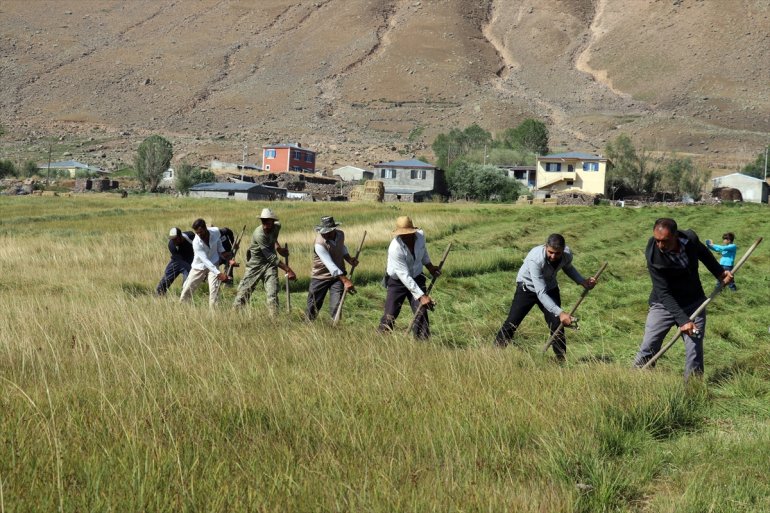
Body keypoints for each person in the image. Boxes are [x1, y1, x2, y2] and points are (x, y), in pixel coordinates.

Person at [633, 218, 733, 377]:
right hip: (663, 305)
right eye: (657, 240)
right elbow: (663, 291)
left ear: (675, 236)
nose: (660, 245)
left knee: (694, 349)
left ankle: (693, 392)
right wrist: (683, 320)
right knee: (649, 345)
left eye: (664, 241)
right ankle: (635, 382)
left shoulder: (690, 239)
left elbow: (704, 254)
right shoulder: (653, 254)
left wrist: (720, 273)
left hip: (693, 302)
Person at [494, 234, 596, 360]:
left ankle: (561, 360)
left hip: (550, 287)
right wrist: (560, 312)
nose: (553, 256)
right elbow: (540, 293)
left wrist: (582, 281)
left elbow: (568, 267)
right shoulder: (535, 259)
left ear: (563, 250)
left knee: (557, 324)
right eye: (550, 252)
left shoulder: (567, 254)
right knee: (512, 322)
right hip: (528, 289)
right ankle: (494, 354)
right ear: (545, 247)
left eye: (557, 253)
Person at [378, 216, 441, 339]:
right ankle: (381, 339)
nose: (405, 236)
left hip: (417, 277)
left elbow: (423, 252)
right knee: (390, 314)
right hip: (397, 282)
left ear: (413, 231)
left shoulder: (420, 236)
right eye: (402, 234)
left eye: (407, 233)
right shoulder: (395, 248)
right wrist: (422, 296)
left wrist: (430, 267)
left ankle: (422, 343)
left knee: (421, 310)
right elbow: (404, 276)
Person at [233, 208, 296, 314]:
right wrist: (288, 270)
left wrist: (278, 248)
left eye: (267, 220)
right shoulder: (259, 234)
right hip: (256, 264)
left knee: (272, 293)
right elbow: (270, 256)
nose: (265, 223)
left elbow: (273, 238)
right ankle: (233, 316)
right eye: (263, 220)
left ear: (272, 221)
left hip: (270, 265)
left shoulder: (277, 226)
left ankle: (273, 320)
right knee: (243, 293)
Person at [306, 216, 357, 321]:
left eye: (328, 232)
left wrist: (348, 258)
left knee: (337, 304)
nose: (325, 234)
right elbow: (331, 266)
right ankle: (308, 325)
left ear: (334, 229)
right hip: (320, 276)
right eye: (323, 232)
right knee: (313, 305)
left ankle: (335, 327)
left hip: (337, 278)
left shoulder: (340, 234)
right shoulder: (319, 244)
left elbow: (341, 246)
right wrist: (346, 281)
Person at [179, 219, 235, 307]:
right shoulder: (196, 242)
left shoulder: (215, 231)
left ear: (206, 228)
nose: (199, 235)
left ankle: (214, 314)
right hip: (199, 267)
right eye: (197, 233)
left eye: (201, 232)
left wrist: (224, 253)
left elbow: (218, 241)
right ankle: (182, 308)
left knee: (214, 291)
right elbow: (205, 261)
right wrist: (220, 274)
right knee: (187, 289)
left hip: (214, 263)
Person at [156, 227, 194, 296]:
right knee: (166, 280)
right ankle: (159, 295)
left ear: (180, 236)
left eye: (175, 239)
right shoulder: (171, 245)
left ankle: (184, 299)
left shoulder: (190, 236)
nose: (174, 241)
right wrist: (192, 269)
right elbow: (180, 261)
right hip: (176, 261)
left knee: (187, 283)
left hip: (189, 260)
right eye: (172, 239)